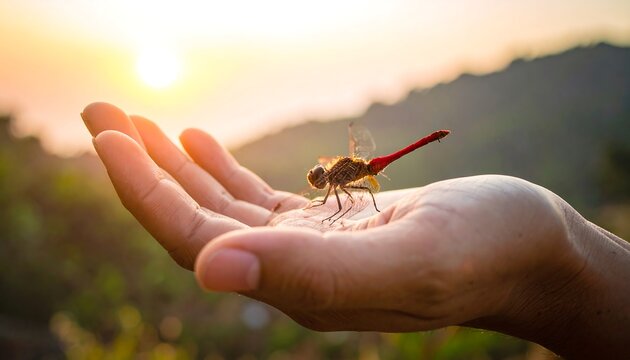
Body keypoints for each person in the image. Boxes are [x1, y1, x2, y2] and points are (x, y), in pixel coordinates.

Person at [81, 102, 629, 359]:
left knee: (354, 199)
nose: (322, 182)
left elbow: (350, 197)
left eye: (322, 178)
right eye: (322, 179)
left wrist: (559, 261)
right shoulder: (341, 178)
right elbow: (350, 195)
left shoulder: (346, 179)